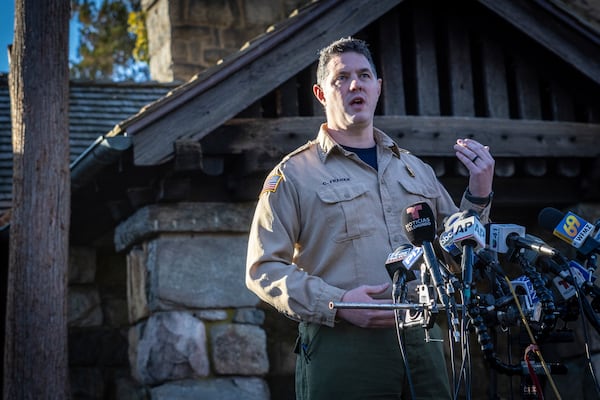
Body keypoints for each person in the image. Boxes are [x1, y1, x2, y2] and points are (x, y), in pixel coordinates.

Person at [246, 37, 495, 399]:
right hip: (343, 345)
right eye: (341, 78)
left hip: (424, 339)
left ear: (379, 88)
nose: (354, 84)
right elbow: (263, 269)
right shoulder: (293, 174)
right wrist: (338, 304)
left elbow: (459, 256)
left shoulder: (416, 170)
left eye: (364, 75)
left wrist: (480, 191)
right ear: (321, 93)